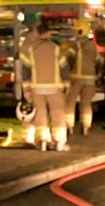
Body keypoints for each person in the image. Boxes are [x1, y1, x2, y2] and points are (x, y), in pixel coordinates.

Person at [21, 20, 70, 151]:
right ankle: (59, 141)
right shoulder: (56, 48)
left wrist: (26, 89)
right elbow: (64, 67)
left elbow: (25, 70)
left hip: (36, 88)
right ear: (48, 33)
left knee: (40, 114)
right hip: (55, 88)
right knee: (58, 113)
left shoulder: (31, 50)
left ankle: (43, 140)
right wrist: (66, 84)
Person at [64, 20, 101, 136]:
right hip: (89, 80)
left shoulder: (74, 46)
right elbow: (98, 62)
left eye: (75, 30)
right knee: (86, 104)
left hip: (75, 79)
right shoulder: (93, 46)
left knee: (70, 103)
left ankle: (69, 126)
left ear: (79, 31)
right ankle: (86, 127)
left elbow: (66, 61)